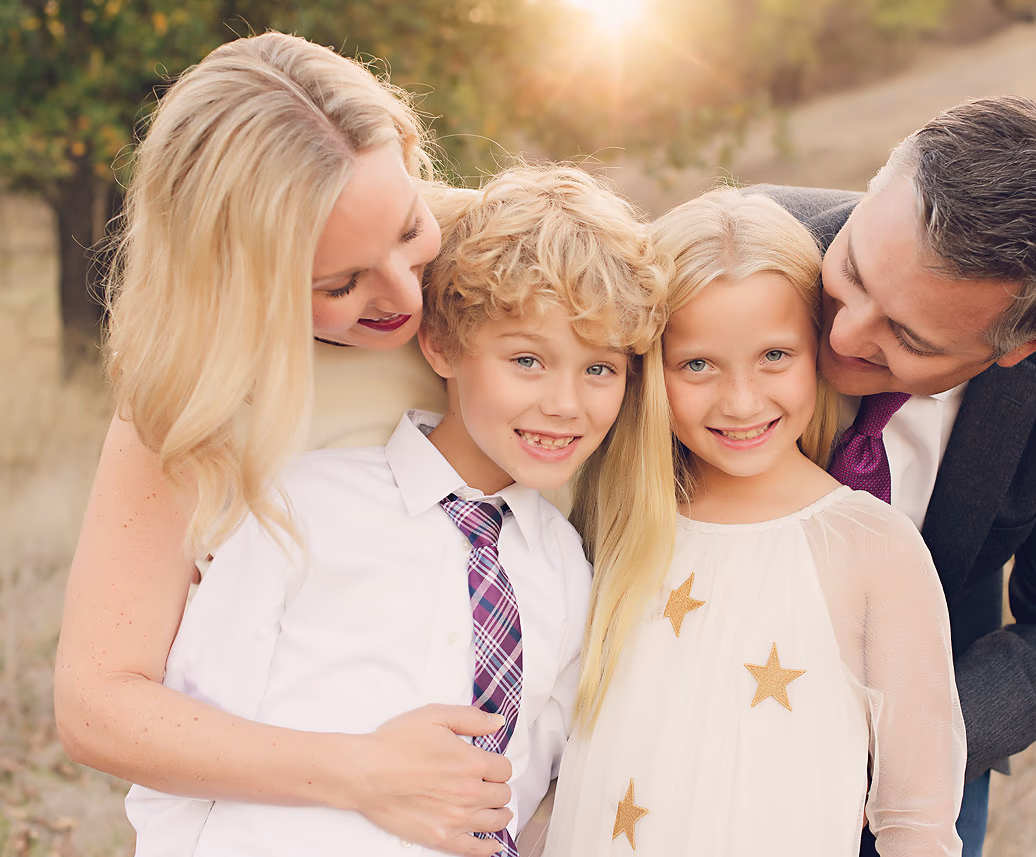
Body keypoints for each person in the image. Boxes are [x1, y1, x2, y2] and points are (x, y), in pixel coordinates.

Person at [123, 163, 670, 856]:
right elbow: (187, 740)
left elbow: (522, 789)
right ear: (442, 344)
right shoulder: (300, 507)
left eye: (599, 369)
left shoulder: (567, 570)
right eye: (527, 360)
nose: (565, 403)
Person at [53, 32, 509, 856]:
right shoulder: (191, 391)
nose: (405, 294)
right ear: (235, 275)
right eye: (338, 284)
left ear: (409, 155)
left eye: (409, 228)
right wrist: (362, 772)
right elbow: (98, 703)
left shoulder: (509, 263)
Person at [745, 95, 1036, 857]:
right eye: (854, 270)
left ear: (1026, 344)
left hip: (920, 757)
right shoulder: (735, 250)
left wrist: (913, 746)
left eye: (908, 335)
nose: (844, 330)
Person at [537, 189, 966, 856]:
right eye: (698, 364)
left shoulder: (873, 549)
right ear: (653, 369)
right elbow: (568, 776)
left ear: (818, 352)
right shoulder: (612, 520)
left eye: (774, 356)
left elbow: (917, 823)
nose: (740, 401)